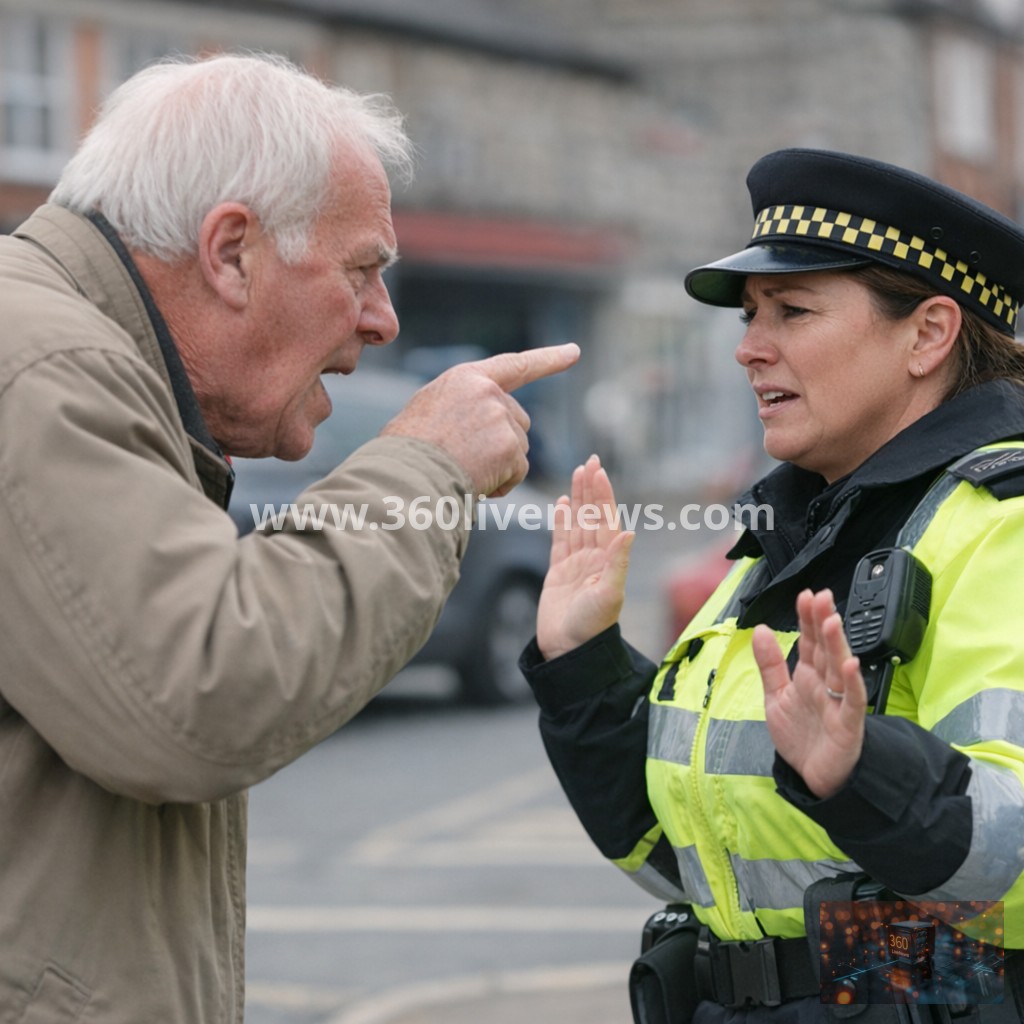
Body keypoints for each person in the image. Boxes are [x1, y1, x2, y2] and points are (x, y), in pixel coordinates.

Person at [0, 52, 579, 1021]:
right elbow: (196, 693)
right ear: (230, 250)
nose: (382, 320)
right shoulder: (38, 363)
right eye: (361, 270)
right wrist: (426, 465)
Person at [521, 148, 1024, 1023]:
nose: (750, 350)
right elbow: (695, 856)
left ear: (929, 334)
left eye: (792, 311)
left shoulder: (1003, 523)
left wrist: (859, 772)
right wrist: (582, 667)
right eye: (751, 317)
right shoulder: (797, 529)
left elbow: (1009, 864)